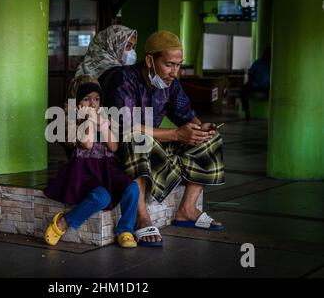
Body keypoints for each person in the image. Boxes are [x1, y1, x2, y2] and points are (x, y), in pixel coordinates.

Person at [101, 31, 225, 247]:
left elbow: (186, 115)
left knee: (208, 140)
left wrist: (199, 129)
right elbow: (124, 129)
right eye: (169, 64)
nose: (174, 72)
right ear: (150, 60)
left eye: (178, 65)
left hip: (150, 147)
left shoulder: (170, 84)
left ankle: (187, 209)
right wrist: (177, 134)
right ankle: (142, 218)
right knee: (136, 139)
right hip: (115, 150)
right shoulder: (122, 79)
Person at [44, 75, 140, 248]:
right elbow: (87, 144)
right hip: (83, 171)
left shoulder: (103, 118)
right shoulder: (69, 121)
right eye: (86, 99)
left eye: (96, 99)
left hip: (107, 167)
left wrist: (102, 124)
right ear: (76, 101)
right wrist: (89, 120)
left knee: (132, 188)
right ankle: (63, 222)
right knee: (101, 197)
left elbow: (113, 147)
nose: (93, 104)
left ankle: (125, 230)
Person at [241, 47, 271, 119]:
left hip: (268, 86)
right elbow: (251, 72)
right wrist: (250, 82)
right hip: (256, 84)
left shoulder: (273, 63)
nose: (266, 55)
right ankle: (246, 110)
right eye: (266, 53)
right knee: (243, 90)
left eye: (268, 54)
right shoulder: (258, 62)